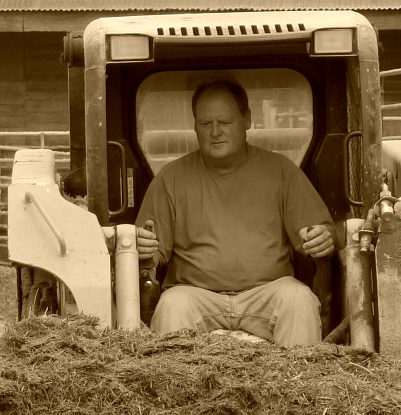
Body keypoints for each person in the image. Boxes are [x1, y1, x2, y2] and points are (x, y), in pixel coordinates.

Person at [136, 80, 336, 347]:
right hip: (195, 296)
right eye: (206, 124)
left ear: (247, 120)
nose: (215, 132)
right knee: (171, 306)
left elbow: (321, 231)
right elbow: (148, 250)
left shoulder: (281, 171)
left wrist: (324, 238)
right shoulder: (170, 179)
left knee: (299, 300)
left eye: (225, 122)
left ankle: (298, 387)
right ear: (195, 127)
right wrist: (141, 247)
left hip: (268, 293)